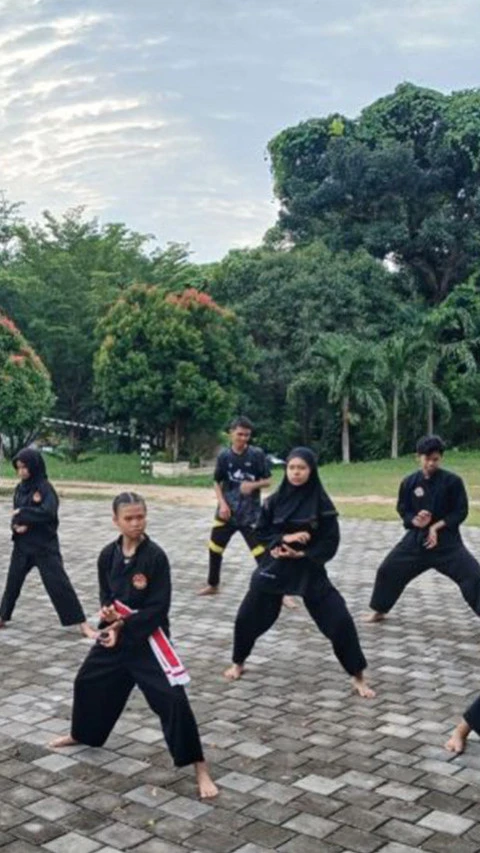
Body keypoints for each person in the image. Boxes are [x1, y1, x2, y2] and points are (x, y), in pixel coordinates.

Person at [50, 492, 218, 799]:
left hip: (147, 641)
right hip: (116, 638)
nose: (136, 523)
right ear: (115, 521)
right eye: (129, 518)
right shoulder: (107, 555)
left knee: (173, 700)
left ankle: (200, 767)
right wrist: (109, 617)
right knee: (86, 681)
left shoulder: (155, 557)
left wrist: (124, 626)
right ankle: (82, 733)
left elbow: (158, 608)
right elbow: (107, 597)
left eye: (140, 516)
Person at [223, 448, 375, 698]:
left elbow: (330, 543)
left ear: (311, 471)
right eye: (292, 467)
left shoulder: (322, 503)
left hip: (309, 570)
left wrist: (302, 554)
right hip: (275, 569)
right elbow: (261, 532)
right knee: (246, 618)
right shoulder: (274, 500)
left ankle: (357, 676)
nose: (295, 472)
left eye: (301, 468)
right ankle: (238, 662)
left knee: (340, 622)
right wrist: (284, 538)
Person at [365, 434, 480, 624]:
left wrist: (436, 526)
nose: (431, 464)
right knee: (388, 570)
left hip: (447, 544)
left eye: (435, 459)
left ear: (440, 458)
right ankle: (379, 610)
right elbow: (403, 509)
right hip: (416, 542)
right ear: (418, 457)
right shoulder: (409, 482)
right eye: (427, 459)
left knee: (474, 576)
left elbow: (460, 511)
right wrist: (415, 521)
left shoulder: (452, 482)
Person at [198, 416, 297, 608]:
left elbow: (268, 480)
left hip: (251, 515)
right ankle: (213, 584)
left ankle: (281, 592)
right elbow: (217, 482)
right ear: (231, 433)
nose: (243, 438)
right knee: (214, 549)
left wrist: (253, 485)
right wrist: (222, 504)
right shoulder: (224, 456)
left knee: (263, 554)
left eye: (247, 435)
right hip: (226, 513)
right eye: (240, 434)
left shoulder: (257, 454)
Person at [0, 448, 94, 637]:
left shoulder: (44, 487)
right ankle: (2, 616)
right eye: (18, 468)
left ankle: (82, 624)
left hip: (44, 547)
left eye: (25, 467)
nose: (22, 472)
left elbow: (48, 512)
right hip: (23, 546)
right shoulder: (20, 488)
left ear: (34, 466)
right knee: (12, 583)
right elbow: (16, 513)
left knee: (58, 584)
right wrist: (16, 526)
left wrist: (24, 515)